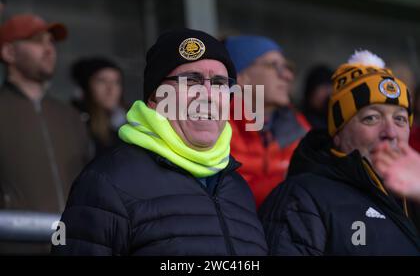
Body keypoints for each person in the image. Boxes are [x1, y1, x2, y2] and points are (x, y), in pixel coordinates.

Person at [52, 28, 268, 256]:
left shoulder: (238, 188)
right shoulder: (107, 182)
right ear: (155, 98)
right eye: (191, 80)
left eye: (219, 83)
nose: (208, 94)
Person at [260, 50, 420, 255]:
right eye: (371, 118)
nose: (390, 133)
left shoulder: (412, 197)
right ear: (338, 133)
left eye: (400, 119)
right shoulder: (302, 198)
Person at [0, 14, 90, 213]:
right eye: (37, 41)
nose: (49, 49)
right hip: (14, 241)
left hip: (73, 242)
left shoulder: (71, 116)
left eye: (51, 42)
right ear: (8, 52)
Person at [224, 35, 310, 208]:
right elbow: (223, 196)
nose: (287, 75)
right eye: (274, 66)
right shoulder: (216, 126)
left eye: (287, 67)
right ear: (241, 77)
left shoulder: (301, 128)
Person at [71, 57, 126, 157]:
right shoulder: (76, 122)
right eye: (102, 81)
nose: (110, 89)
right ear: (87, 86)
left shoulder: (128, 122)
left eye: (116, 82)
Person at [301, 64, 333, 130]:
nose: (329, 93)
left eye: (331, 87)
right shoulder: (296, 120)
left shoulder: (333, 123)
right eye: (324, 87)